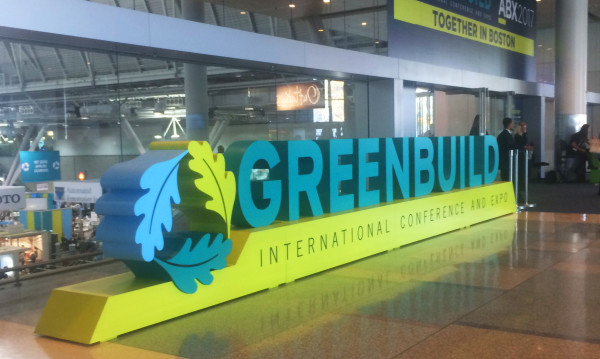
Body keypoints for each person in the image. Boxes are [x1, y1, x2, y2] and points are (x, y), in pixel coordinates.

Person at [513, 122, 533, 202]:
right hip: (519, 155)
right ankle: (520, 186)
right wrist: (525, 133)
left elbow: (525, 142)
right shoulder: (517, 136)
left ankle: (522, 185)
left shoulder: (521, 135)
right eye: (524, 127)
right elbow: (522, 143)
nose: (525, 129)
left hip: (522, 155)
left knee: (523, 171)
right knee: (520, 171)